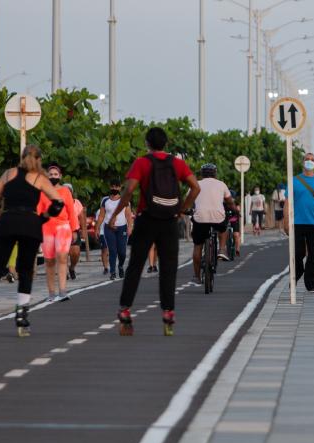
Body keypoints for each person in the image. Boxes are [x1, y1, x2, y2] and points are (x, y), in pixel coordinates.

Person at [0, 145, 64, 336]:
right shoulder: (40, 178)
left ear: (21, 157)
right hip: (30, 225)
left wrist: (1, 214)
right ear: (39, 159)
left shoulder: (9, 174)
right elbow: (58, 203)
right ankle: (21, 315)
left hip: (8, 222)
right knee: (26, 270)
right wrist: (42, 218)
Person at [109, 127, 201, 336]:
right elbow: (195, 187)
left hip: (147, 218)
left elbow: (130, 190)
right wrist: (182, 209)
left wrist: (116, 214)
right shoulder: (177, 164)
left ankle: (125, 310)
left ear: (147, 143)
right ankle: (168, 314)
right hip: (169, 221)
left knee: (135, 266)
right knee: (168, 269)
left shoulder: (142, 163)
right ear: (165, 143)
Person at [283, 153, 314, 293]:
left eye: (312, 160)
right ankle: (296, 275)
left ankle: (311, 284)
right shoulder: (294, 180)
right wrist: (286, 221)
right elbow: (287, 203)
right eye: (307, 159)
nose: (309, 162)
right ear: (302, 162)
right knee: (298, 254)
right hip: (297, 223)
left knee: (313, 254)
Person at [37, 165, 78, 302]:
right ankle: (51, 293)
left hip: (63, 227)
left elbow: (72, 212)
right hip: (46, 228)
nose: (53, 176)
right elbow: (38, 212)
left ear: (60, 176)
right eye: (51, 174)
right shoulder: (42, 192)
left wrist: (74, 230)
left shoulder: (66, 191)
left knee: (62, 257)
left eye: (56, 174)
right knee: (49, 261)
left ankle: (62, 291)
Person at [190, 163, 236, 283]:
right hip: (218, 217)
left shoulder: (195, 183)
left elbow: (189, 200)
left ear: (201, 174)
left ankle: (196, 276)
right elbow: (229, 201)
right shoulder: (221, 184)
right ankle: (221, 249)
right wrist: (235, 210)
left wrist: (185, 210)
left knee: (197, 246)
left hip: (200, 218)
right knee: (224, 227)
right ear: (215, 174)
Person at [95, 179, 133, 280]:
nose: (114, 189)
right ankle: (112, 272)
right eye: (112, 186)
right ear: (110, 187)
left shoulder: (124, 200)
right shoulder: (105, 200)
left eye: (116, 187)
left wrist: (130, 227)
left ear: (120, 188)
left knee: (122, 252)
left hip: (122, 228)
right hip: (108, 228)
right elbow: (101, 216)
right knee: (112, 251)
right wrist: (97, 228)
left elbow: (128, 216)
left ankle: (120, 266)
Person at [64, 183, 86, 281]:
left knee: (75, 252)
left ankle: (72, 268)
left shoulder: (76, 202)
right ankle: (64, 273)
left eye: (69, 190)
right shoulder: (58, 202)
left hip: (74, 230)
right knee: (63, 253)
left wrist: (83, 231)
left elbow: (81, 218)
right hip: (62, 230)